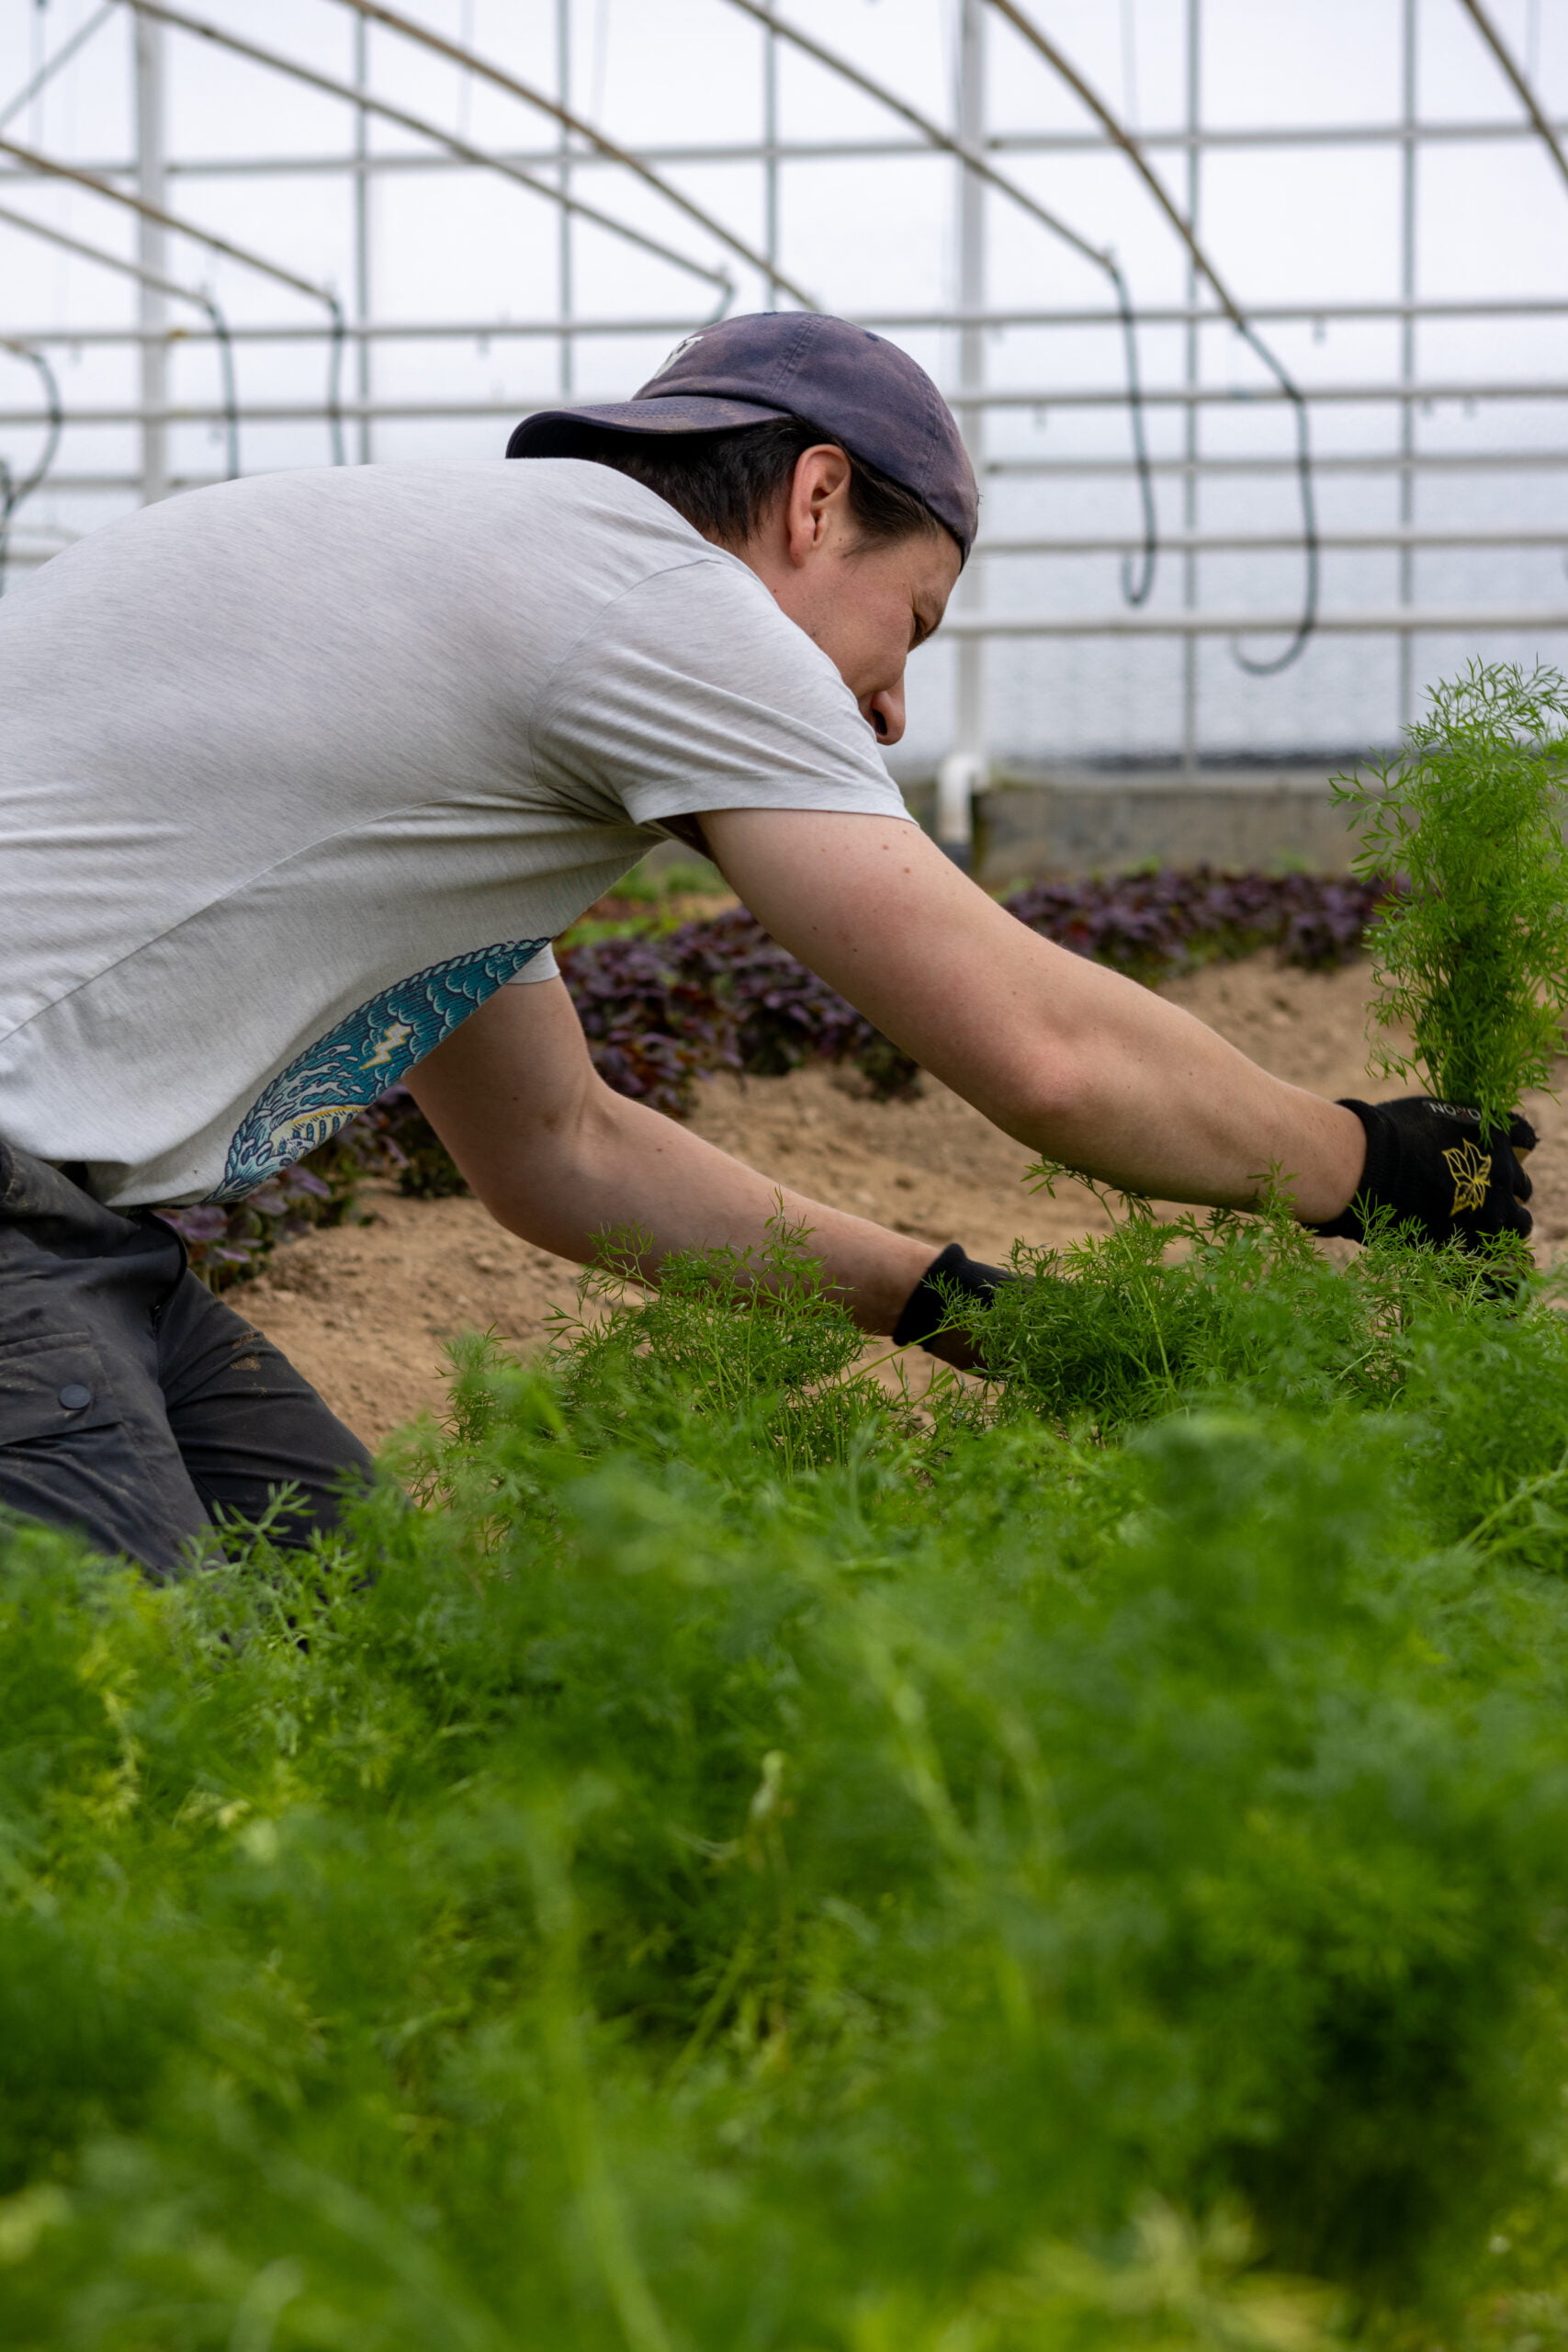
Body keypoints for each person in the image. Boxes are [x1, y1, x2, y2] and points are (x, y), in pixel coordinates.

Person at [0, 311, 1534, 1576]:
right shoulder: (652, 595)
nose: (891, 708)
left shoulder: (479, 613)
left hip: (82, 1231)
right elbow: (1043, 1052)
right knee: (128, 1748)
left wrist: (950, 1303)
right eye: (910, 624)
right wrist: (1369, 1164)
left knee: (374, 1620)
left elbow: (563, 1149)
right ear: (813, 504)